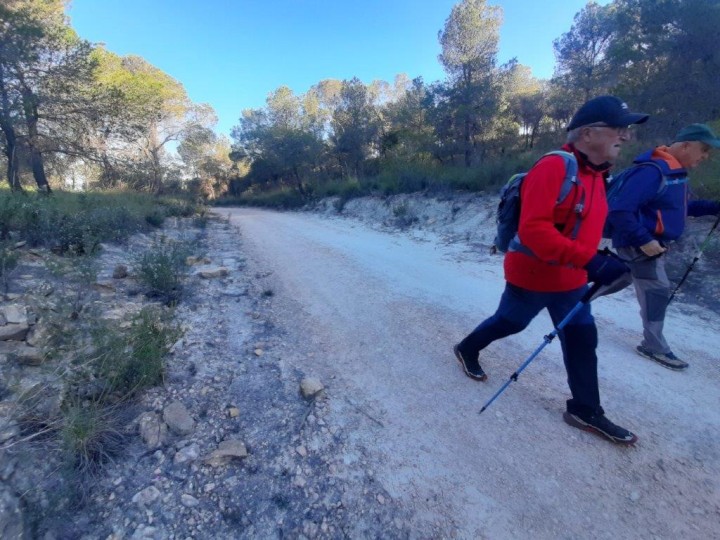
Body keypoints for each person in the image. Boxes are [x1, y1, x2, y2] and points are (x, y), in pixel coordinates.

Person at [454, 95, 648, 445]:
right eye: (618, 128)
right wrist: (590, 261)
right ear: (587, 133)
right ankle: (467, 348)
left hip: (572, 280)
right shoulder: (554, 167)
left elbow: (583, 225)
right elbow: (534, 230)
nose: (625, 135)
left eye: (627, 129)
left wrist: (610, 254)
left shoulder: (598, 175)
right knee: (511, 322)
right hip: (533, 275)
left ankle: (585, 410)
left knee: (582, 339)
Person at [604, 123, 720, 371]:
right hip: (642, 244)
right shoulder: (653, 172)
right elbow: (620, 209)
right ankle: (654, 346)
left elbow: (680, 209)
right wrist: (644, 240)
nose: (705, 156)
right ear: (686, 145)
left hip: (647, 243)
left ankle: (564, 297)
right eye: (704, 150)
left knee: (616, 278)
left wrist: (714, 208)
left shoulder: (675, 173)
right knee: (657, 290)